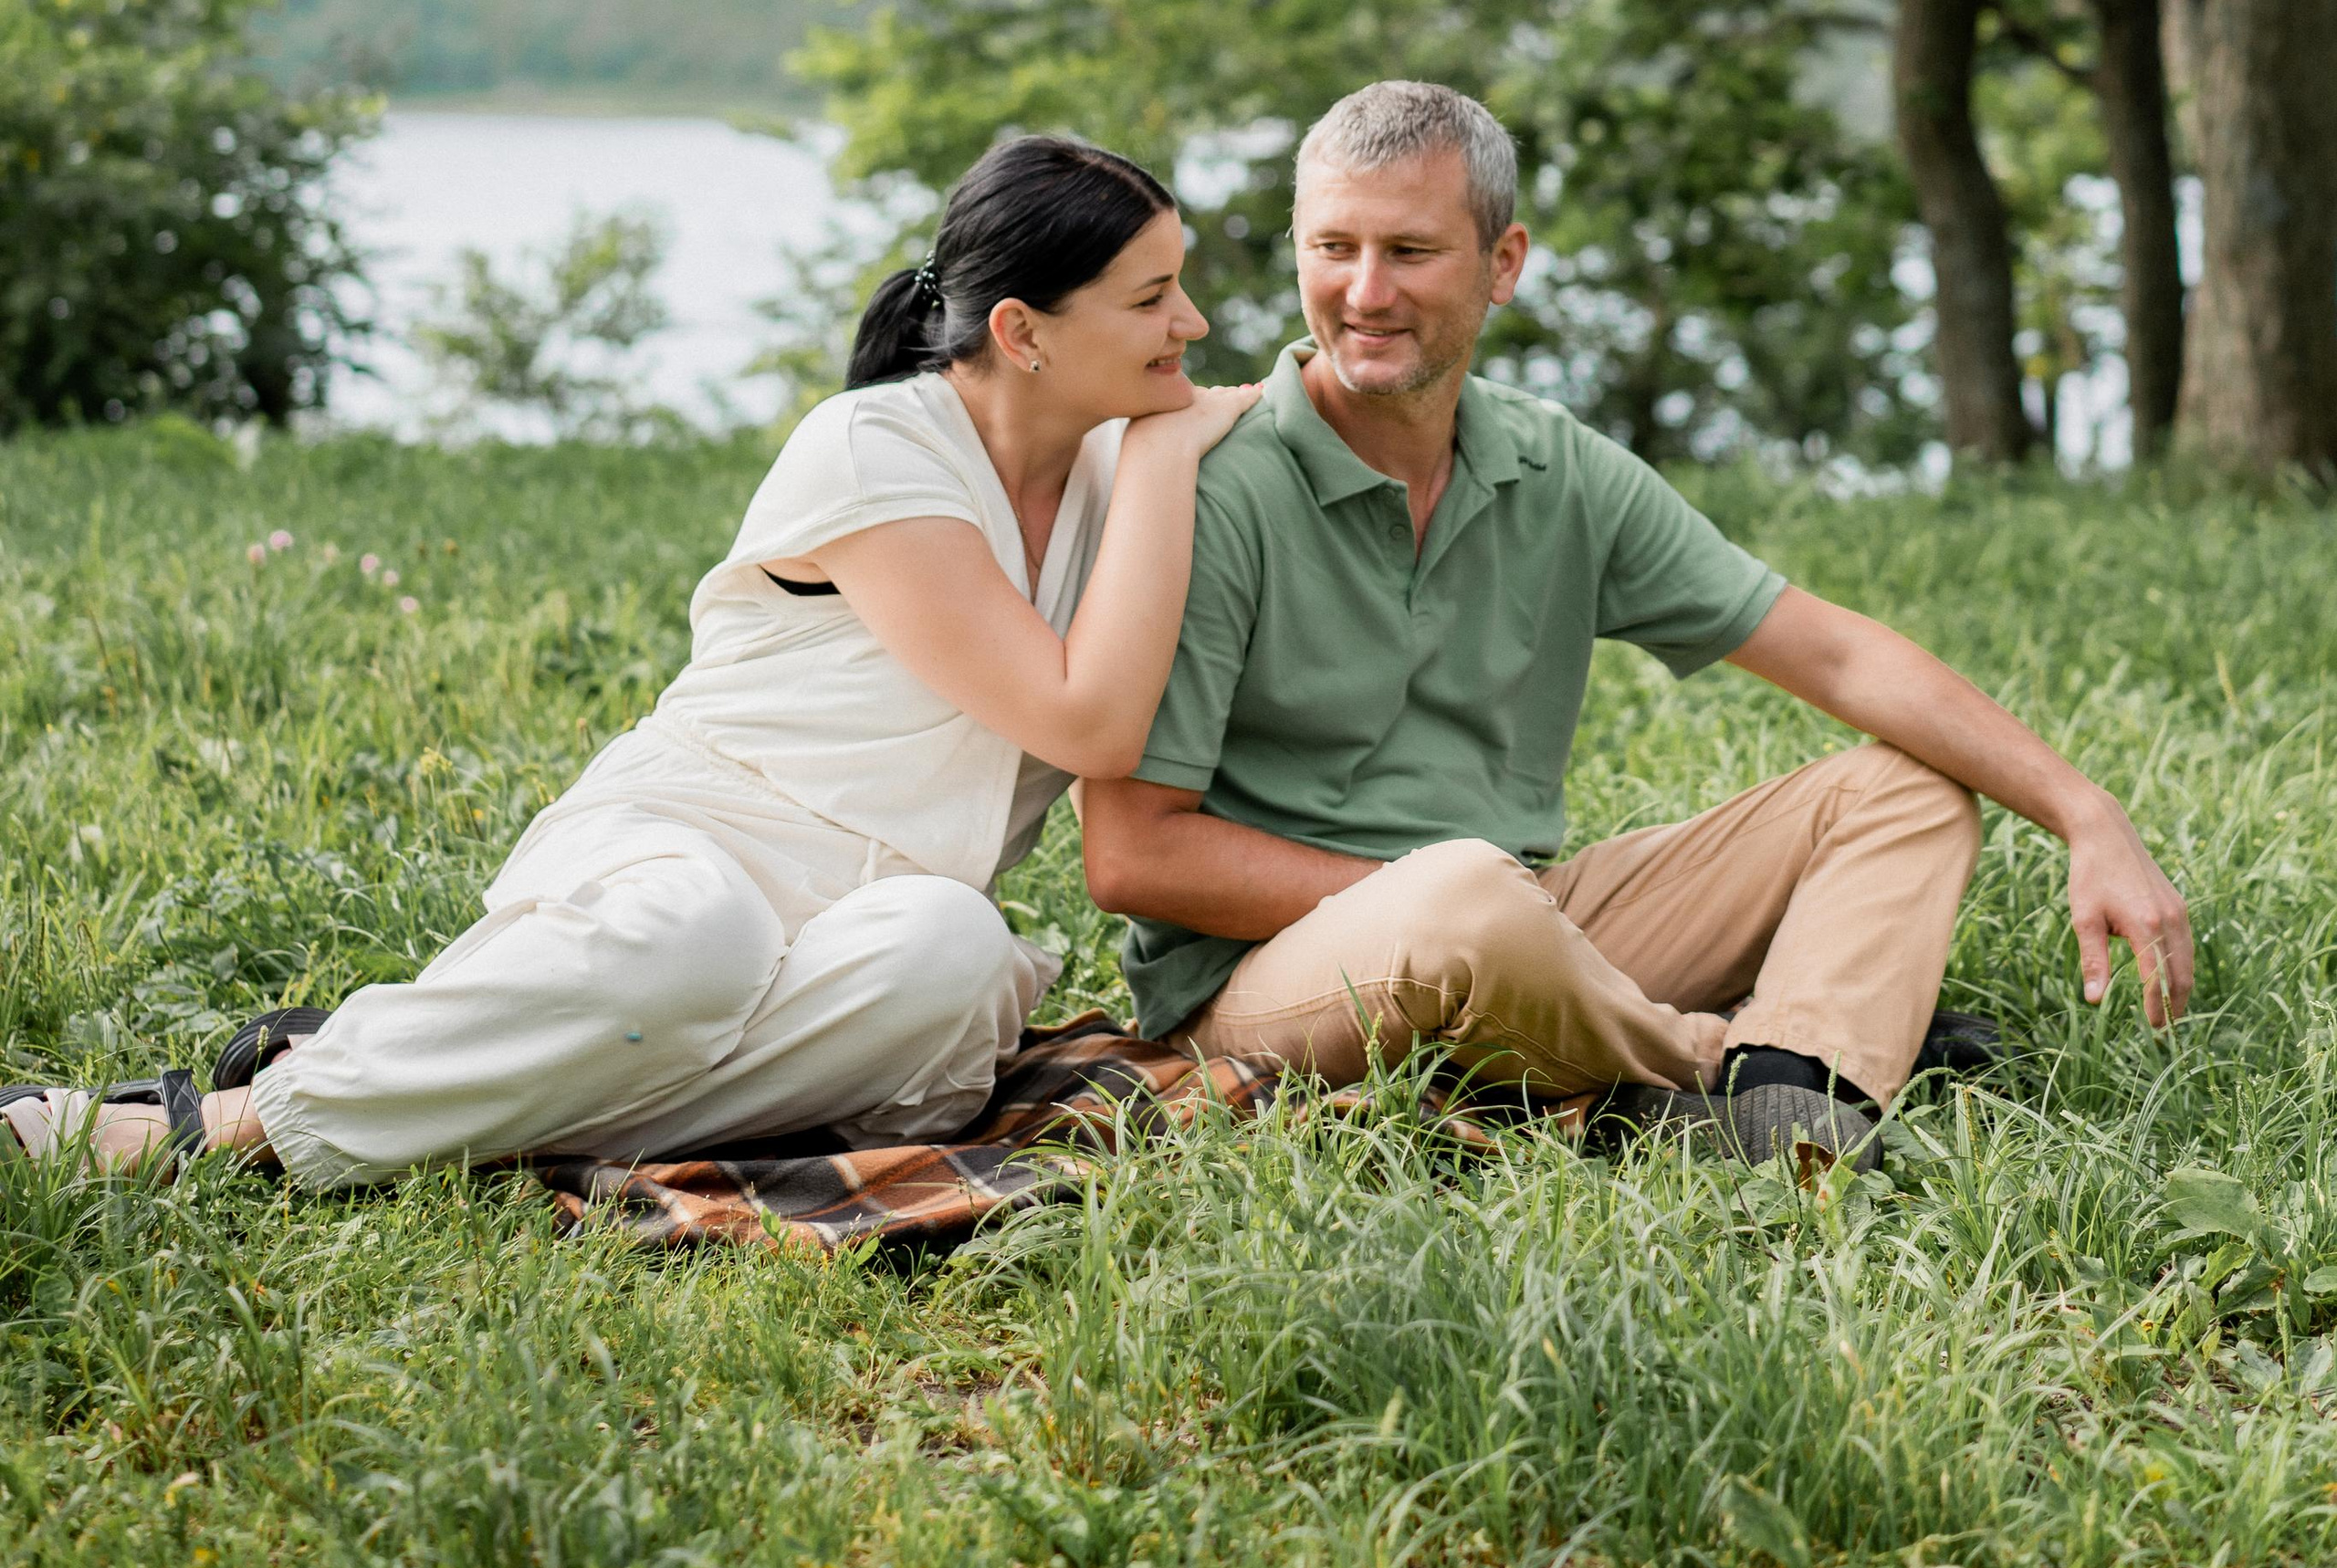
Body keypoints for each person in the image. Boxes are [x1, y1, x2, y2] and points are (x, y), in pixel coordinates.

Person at [5, 134, 1257, 1179]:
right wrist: (1160, 460)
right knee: (696, 936)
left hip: (869, 933)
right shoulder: (876, 450)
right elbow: (1084, 722)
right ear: (1023, 332)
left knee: (958, 956)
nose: (1192, 322)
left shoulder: (1113, 479)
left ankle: (475, 1103)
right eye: (1151, 298)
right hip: (698, 847)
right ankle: (228, 1127)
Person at [1080, 80, 2195, 1170]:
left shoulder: (1554, 467)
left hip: (1514, 922)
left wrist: (2084, 812)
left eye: (1410, 252)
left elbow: (1837, 651)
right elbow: (1131, 856)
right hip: (1262, 988)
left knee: (1903, 794)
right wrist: (1429, 899)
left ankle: (1754, 1095)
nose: (1364, 293)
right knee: (1465, 892)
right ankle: (1771, 1074)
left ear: (1502, 262)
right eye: (1332, 248)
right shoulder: (1210, 488)